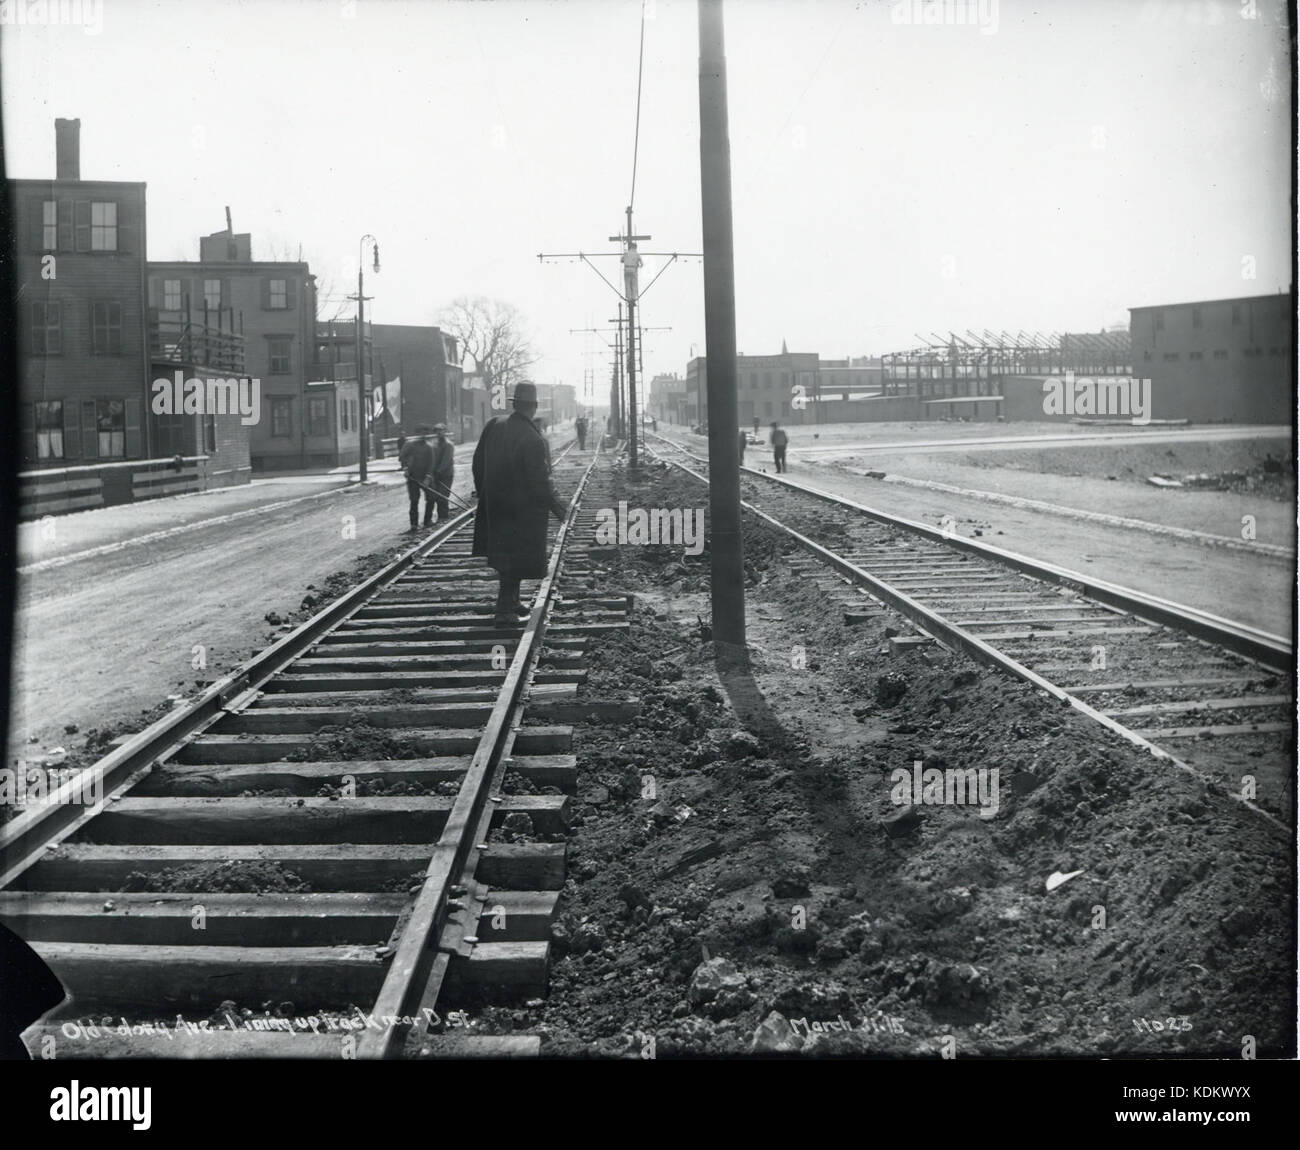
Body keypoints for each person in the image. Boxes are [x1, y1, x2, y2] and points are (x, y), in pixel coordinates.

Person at [472, 382, 568, 626]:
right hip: (520, 510)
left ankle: (512, 601)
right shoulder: (533, 438)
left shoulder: (494, 424)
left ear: (515, 404)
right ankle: (504, 610)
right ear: (534, 407)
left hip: (495, 504)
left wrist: (485, 492)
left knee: (504, 556)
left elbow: (477, 463)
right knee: (515, 558)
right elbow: (539, 481)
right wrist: (557, 508)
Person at [399, 425, 436, 531]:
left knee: (431, 497)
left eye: (425, 433)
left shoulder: (429, 447)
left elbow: (431, 463)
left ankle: (427, 521)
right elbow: (402, 457)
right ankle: (414, 525)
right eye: (420, 433)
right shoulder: (409, 445)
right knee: (414, 500)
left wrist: (428, 478)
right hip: (412, 478)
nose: (422, 435)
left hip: (425, 477)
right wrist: (405, 468)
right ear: (417, 434)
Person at [429, 423, 455, 521]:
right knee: (436, 496)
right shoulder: (433, 444)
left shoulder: (448, 445)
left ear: (445, 431)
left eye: (441, 430)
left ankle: (443, 516)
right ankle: (441, 516)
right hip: (436, 474)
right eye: (437, 431)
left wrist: (438, 471)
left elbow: (446, 460)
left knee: (443, 495)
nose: (439, 433)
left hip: (446, 474)